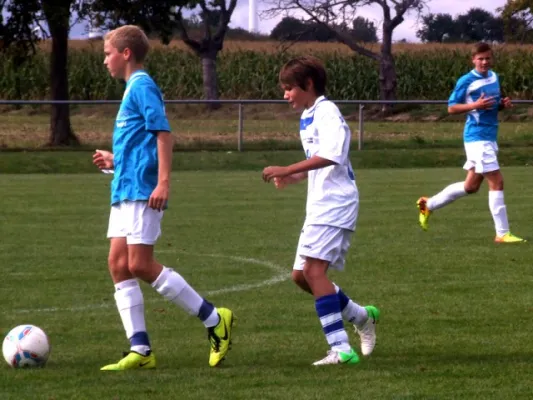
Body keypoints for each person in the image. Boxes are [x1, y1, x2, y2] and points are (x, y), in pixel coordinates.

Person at [92, 25, 234, 371]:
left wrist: (164, 182)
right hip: (124, 188)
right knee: (117, 264)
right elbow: (139, 141)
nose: (105, 61)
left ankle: (215, 319)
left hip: (143, 190)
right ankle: (140, 350)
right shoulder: (130, 91)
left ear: (126, 53)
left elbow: (163, 135)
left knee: (139, 264)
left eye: (108, 54)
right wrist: (116, 160)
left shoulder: (142, 86)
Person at [262, 56, 380, 366]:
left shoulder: (327, 112)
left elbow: (332, 155)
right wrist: (293, 176)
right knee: (301, 276)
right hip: (319, 204)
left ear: (308, 85)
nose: (285, 94)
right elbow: (317, 159)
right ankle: (361, 315)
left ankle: (340, 348)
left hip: (335, 204)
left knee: (315, 273)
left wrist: (287, 166)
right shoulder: (308, 115)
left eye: (289, 88)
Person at [417, 42, 526, 243]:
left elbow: (491, 106)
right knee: (497, 181)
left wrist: (503, 105)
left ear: (492, 59)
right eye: (480, 59)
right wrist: (474, 105)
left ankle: (427, 204)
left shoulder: (494, 77)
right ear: (473, 60)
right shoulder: (466, 81)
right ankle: (502, 234)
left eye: (488, 58)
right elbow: (451, 108)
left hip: (489, 136)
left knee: (471, 187)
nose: (484, 62)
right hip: (477, 138)